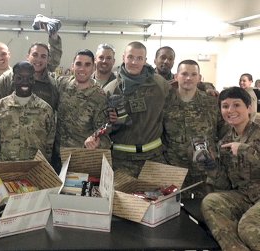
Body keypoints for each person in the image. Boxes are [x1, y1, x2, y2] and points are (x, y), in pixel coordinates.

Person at [201, 87, 260, 251]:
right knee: (211, 201)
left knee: (248, 226)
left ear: (248, 108)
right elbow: (226, 185)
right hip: (245, 196)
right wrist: (213, 168)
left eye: (236, 105)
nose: (230, 110)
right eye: (225, 106)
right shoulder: (225, 142)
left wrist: (243, 150)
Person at [103, 41, 170, 176]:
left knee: (157, 197)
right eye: (130, 57)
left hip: (154, 158)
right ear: (123, 58)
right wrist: (113, 123)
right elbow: (101, 126)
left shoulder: (160, 84)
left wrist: (207, 88)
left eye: (139, 58)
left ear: (145, 60)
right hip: (121, 160)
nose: (134, 62)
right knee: (121, 197)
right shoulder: (110, 89)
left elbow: (181, 96)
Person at [162, 60, 221, 198]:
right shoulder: (165, 102)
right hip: (174, 169)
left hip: (204, 170)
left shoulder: (211, 102)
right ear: (176, 77)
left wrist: (216, 155)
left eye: (194, 74)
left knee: (203, 210)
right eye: (184, 74)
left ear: (200, 78)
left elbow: (224, 132)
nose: (188, 78)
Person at [0, 61, 55, 162]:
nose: (24, 82)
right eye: (19, 78)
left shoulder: (45, 109)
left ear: (34, 79)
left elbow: (49, 142)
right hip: (7, 168)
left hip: (35, 169)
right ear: (13, 79)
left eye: (29, 78)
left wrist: (43, 163)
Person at [0, 32, 62, 118]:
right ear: (28, 56)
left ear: (47, 60)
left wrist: (54, 37)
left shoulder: (52, 85)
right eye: (35, 55)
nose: (38, 59)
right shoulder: (8, 78)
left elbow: (55, 111)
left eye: (43, 56)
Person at [56, 49, 111, 150]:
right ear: (72, 66)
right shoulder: (62, 84)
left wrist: (96, 142)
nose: (82, 69)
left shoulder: (99, 97)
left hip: (80, 157)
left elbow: (104, 135)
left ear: (93, 68)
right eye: (78, 64)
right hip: (56, 156)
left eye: (87, 65)